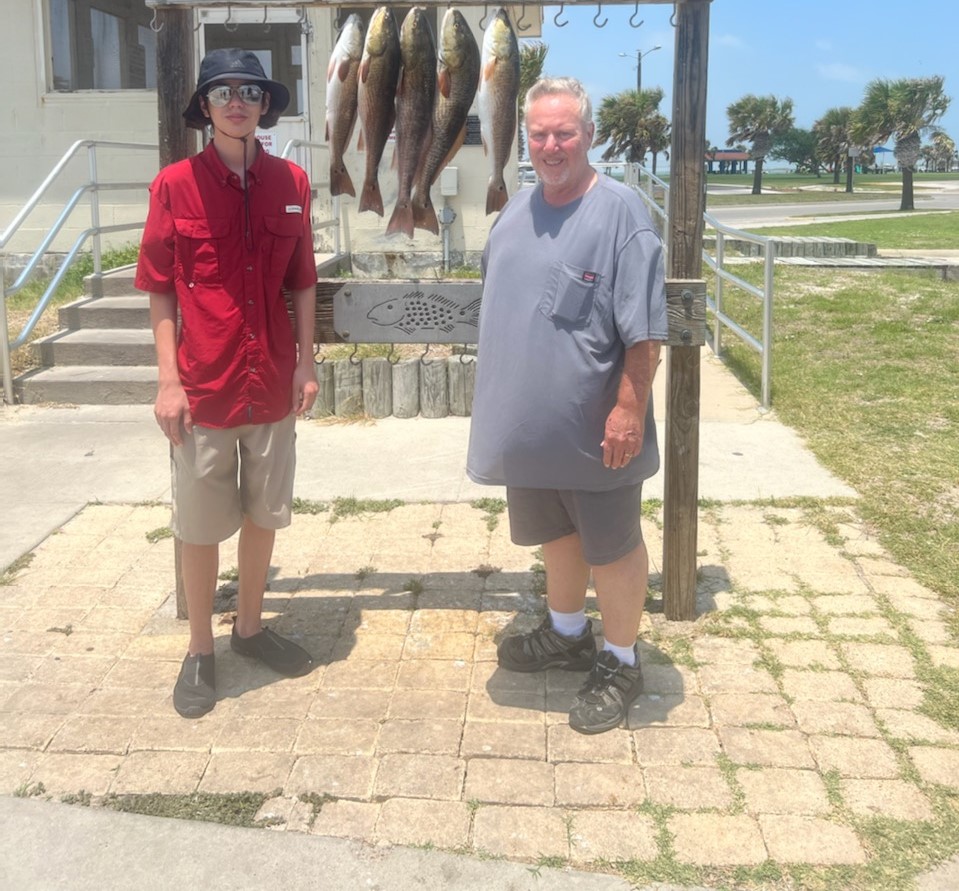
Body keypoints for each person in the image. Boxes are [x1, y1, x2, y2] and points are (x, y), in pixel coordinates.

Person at [467, 77, 668, 735]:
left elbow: (644, 330)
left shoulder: (621, 211)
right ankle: (566, 631)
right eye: (539, 133)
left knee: (610, 542)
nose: (551, 145)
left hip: (596, 427)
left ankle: (620, 657)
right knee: (554, 534)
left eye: (564, 132)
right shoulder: (515, 209)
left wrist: (629, 408)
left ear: (589, 135)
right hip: (529, 433)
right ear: (525, 137)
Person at [135, 49, 319, 719]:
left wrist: (305, 362)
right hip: (203, 388)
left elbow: (302, 279)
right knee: (199, 523)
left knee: (263, 512)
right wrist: (168, 381)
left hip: (271, 380)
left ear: (265, 103)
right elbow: (158, 289)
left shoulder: (292, 182)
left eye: (249, 90)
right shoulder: (174, 185)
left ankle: (248, 626)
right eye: (221, 92)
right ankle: (199, 649)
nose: (236, 101)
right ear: (205, 108)